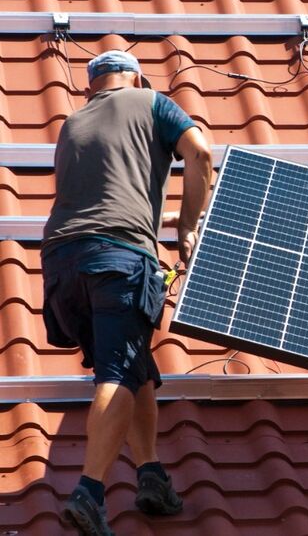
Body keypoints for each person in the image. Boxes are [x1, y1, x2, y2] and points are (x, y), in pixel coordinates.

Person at [41, 50, 213, 535]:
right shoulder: (153, 102)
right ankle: (90, 492)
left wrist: (169, 219)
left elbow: (111, 205)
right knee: (118, 371)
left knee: (133, 364)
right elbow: (200, 154)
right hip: (117, 260)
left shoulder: (73, 124)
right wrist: (189, 229)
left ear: (91, 86)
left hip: (61, 264)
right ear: (136, 78)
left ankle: (151, 474)